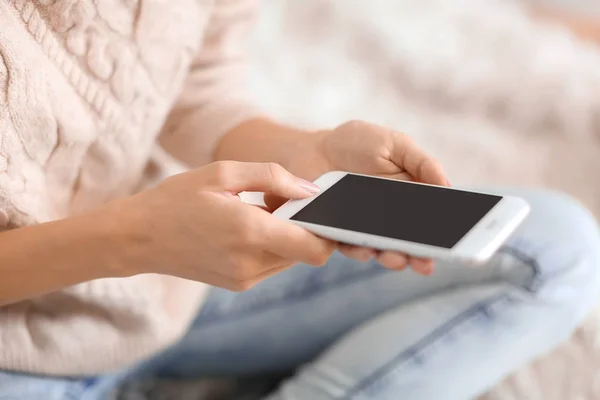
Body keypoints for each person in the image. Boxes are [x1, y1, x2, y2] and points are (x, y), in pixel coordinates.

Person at [0, 1, 598, 399]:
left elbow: (194, 87)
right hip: (17, 355)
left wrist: (307, 151)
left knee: (555, 249)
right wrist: (137, 238)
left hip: (172, 285)